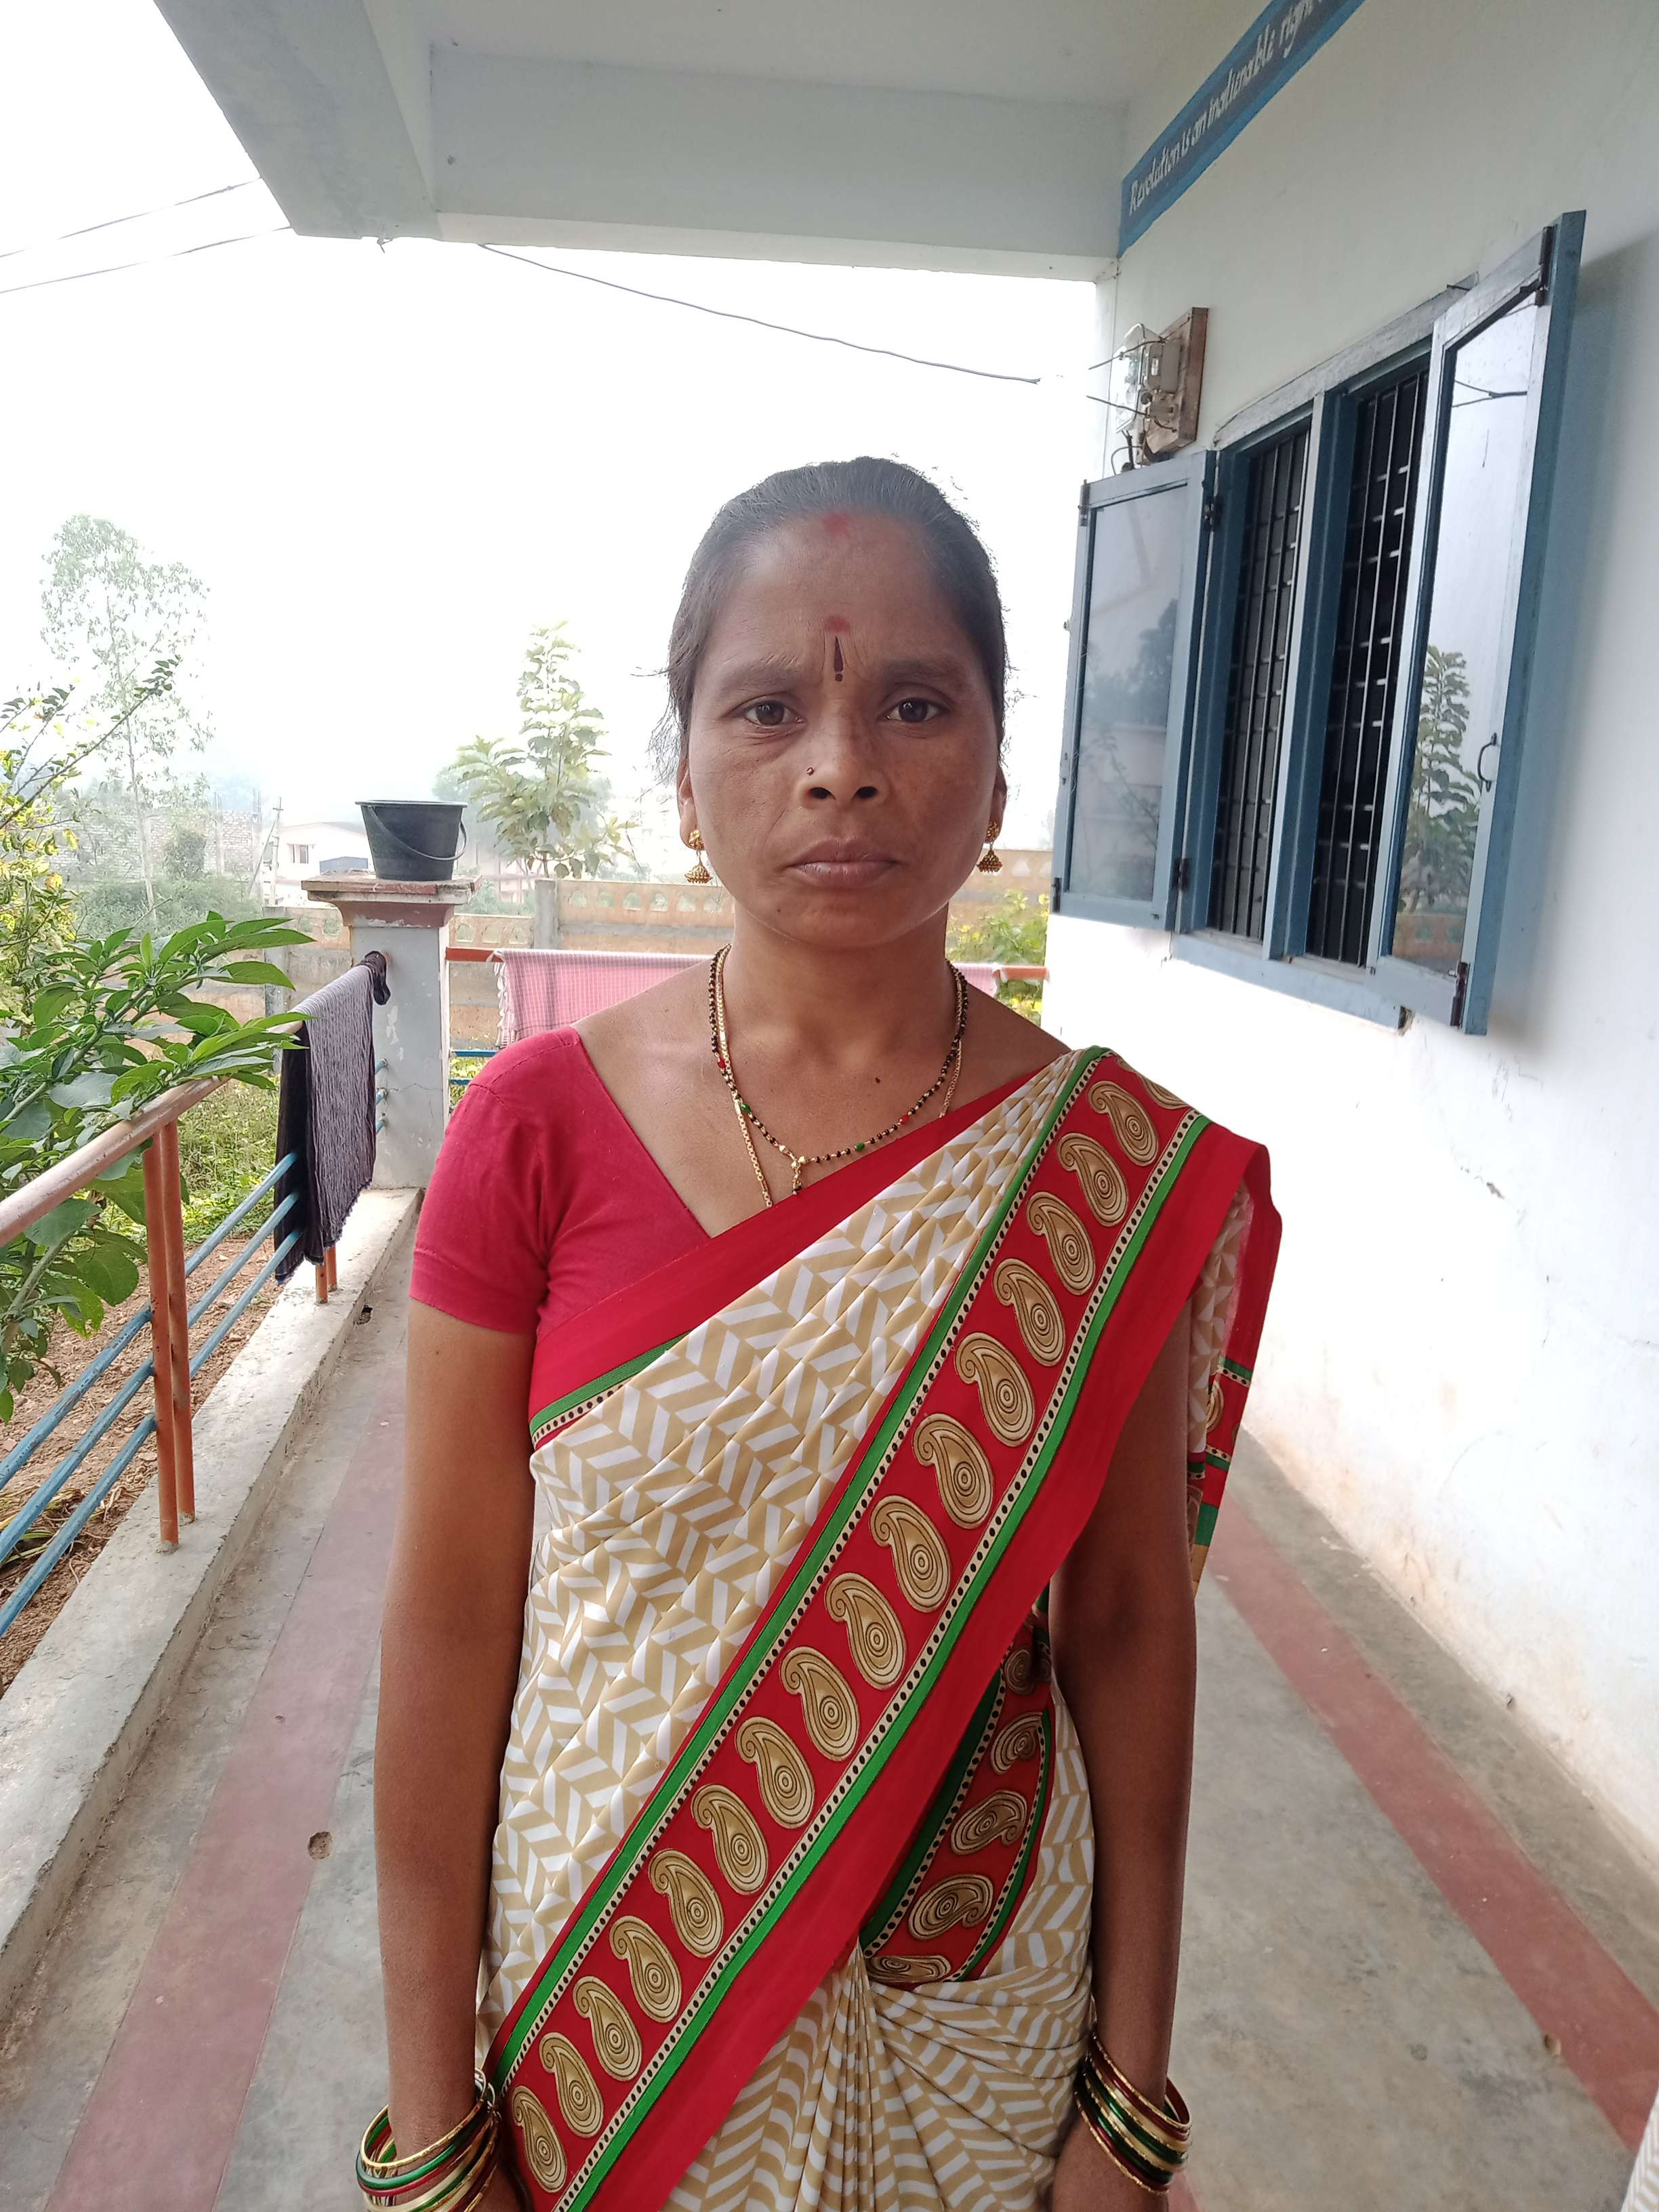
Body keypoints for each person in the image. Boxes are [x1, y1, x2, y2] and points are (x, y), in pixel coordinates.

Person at [366, 458, 1279, 2212]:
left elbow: (1128, 1625)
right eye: (767, 707)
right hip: (615, 2006)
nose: (841, 764)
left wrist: (1131, 2098)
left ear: (1000, 776)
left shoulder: (1096, 1173)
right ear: (684, 782)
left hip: (975, 2005)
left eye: (915, 705)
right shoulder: (535, 1130)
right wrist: (430, 2121)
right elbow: (452, 1622)